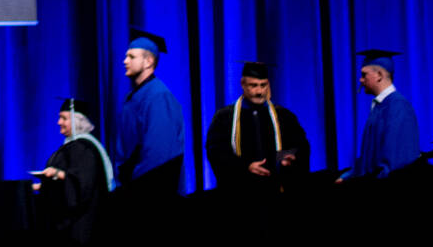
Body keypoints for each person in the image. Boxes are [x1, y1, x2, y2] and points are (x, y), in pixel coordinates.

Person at [203, 61, 308, 198]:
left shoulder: (283, 116)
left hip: (275, 192)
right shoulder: (225, 117)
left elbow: (301, 145)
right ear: (243, 84)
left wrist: (286, 157)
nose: (259, 91)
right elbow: (215, 151)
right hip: (240, 194)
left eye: (263, 85)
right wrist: (245, 166)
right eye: (253, 85)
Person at [114, 28, 186, 196]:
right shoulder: (134, 96)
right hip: (132, 185)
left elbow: (159, 154)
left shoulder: (158, 96)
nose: (125, 61)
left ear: (148, 62)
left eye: (131, 57)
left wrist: (134, 183)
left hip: (152, 190)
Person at [33, 98, 111, 246]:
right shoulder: (72, 147)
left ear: (78, 122)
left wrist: (58, 174)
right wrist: (42, 187)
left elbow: (82, 185)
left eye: (64, 118)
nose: (59, 122)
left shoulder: (83, 148)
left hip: (81, 228)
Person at [338, 48, 420, 180]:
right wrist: (348, 177)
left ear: (379, 75)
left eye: (364, 75)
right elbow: (368, 159)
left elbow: (396, 161)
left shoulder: (398, 107)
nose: (361, 80)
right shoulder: (379, 107)